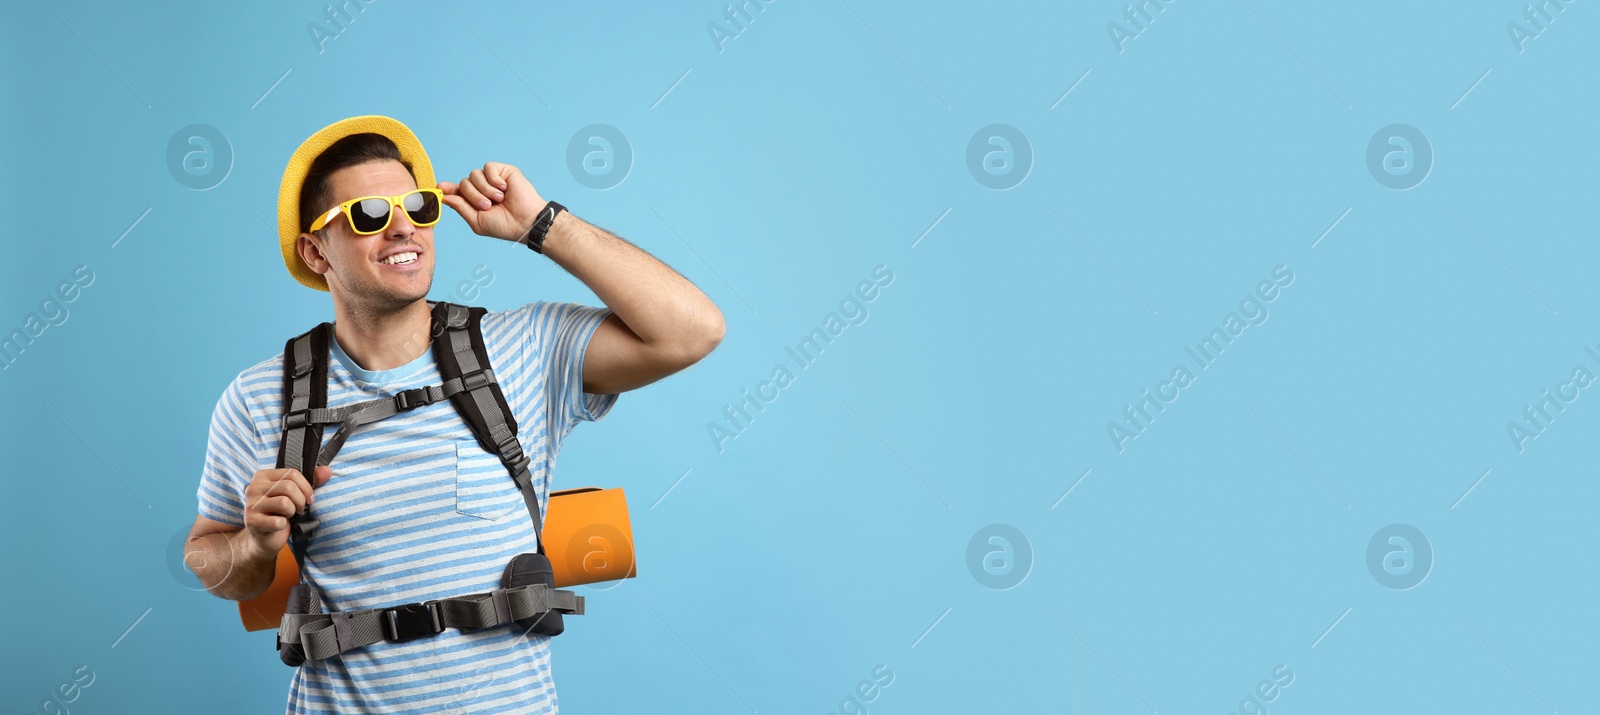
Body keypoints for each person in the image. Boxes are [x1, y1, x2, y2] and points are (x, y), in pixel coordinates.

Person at [183, 115, 724, 713]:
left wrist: (542, 225)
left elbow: (692, 331)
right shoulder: (261, 397)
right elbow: (212, 560)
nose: (401, 229)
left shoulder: (523, 347)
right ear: (315, 251)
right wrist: (256, 546)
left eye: (416, 207)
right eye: (368, 214)